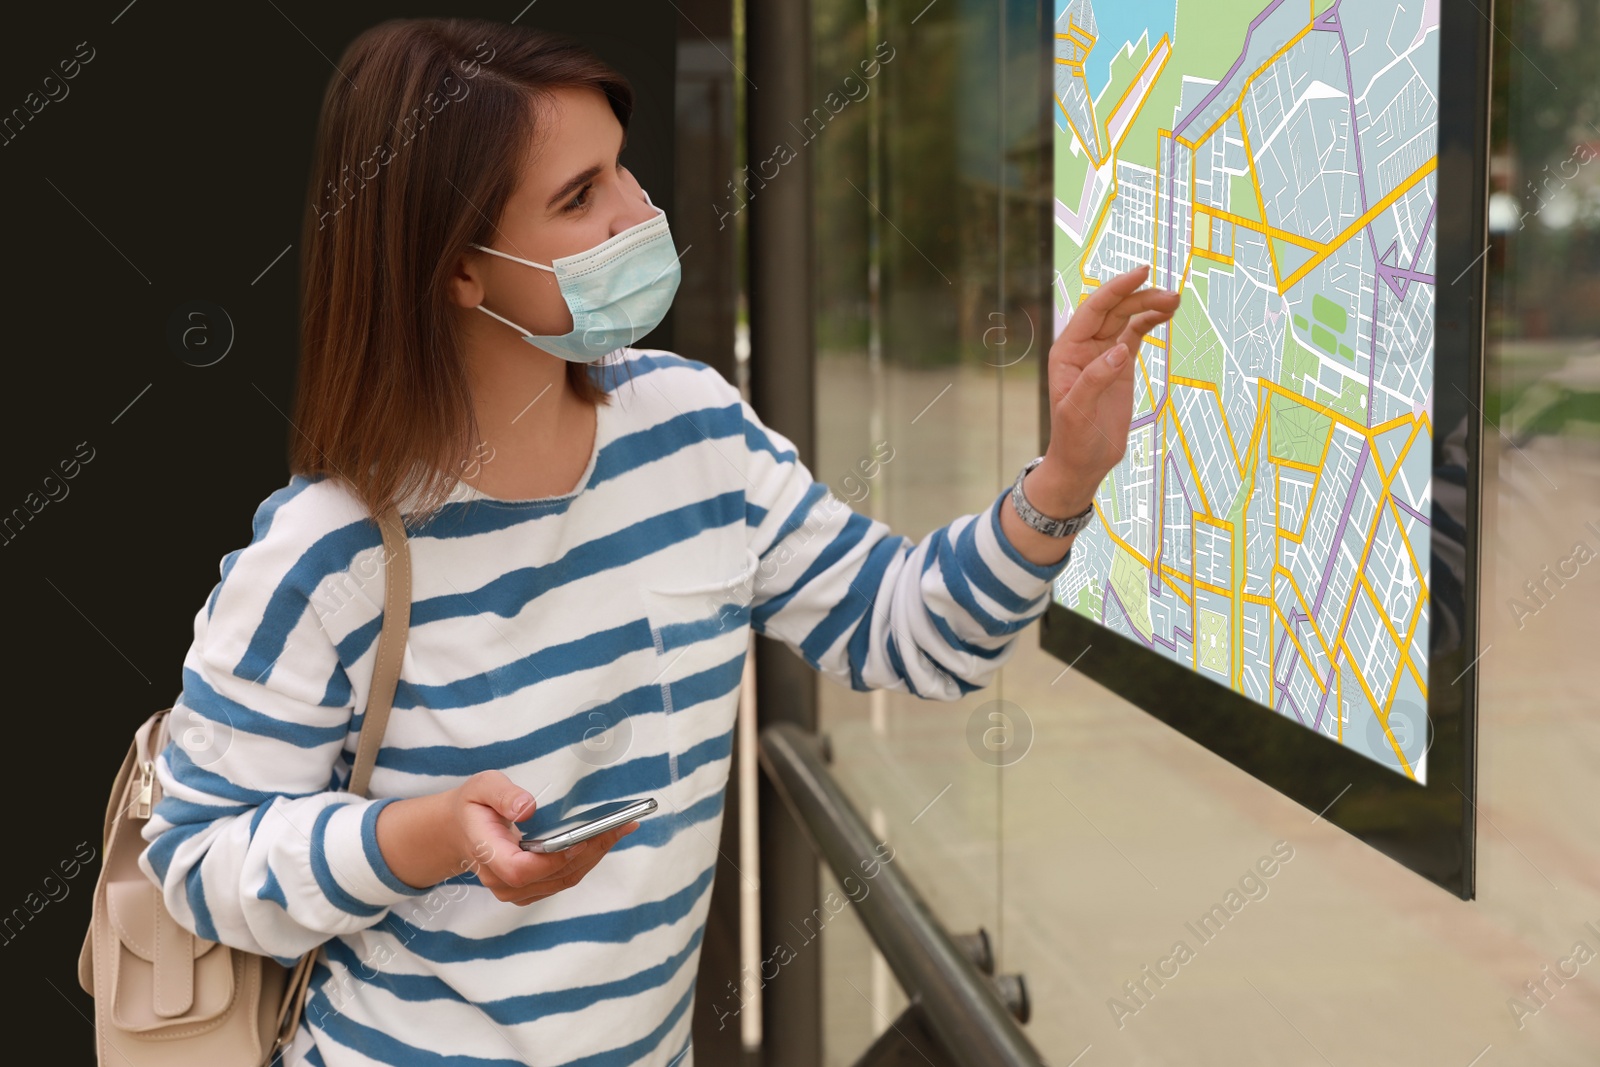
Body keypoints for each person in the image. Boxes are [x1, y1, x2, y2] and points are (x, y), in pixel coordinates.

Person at [137, 16, 1178, 1067]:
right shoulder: (330, 550)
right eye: (580, 195)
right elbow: (194, 856)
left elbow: (911, 630)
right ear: (459, 269)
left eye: (622, 169)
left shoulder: (693, 428)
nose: (642, 212)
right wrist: (427, 833)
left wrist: (1065, 473)